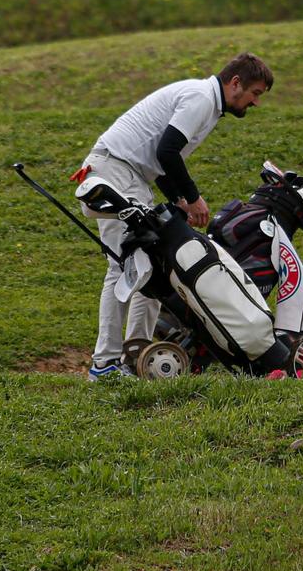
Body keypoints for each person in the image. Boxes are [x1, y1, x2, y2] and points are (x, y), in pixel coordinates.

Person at [78, 52, 273, 379]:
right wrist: (193, 198)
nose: (255, 103)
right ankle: (105, 364)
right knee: (123, 268)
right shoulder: (200, 98)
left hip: (130, 175)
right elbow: (166, 151)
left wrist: (179, 200)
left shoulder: (206, 102)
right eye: (255, 93)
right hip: (116, 173)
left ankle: (133, 358)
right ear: (235, 83)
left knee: (151, 268)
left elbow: (162, 159)